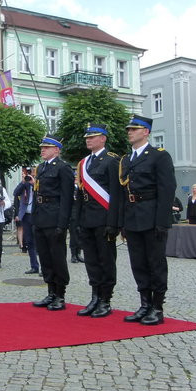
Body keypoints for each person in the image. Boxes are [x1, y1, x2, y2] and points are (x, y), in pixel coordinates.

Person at [119, 115, 176, 326]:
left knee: (155, 262)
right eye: (128, 129)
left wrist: (162, 221)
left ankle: (157, 307)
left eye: (134, 129)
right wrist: (123, 222)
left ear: (146, 132)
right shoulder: (126, 159)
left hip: (152, 216)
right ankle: (144, 304)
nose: (129, 132)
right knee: (138, 263)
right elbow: (124, 192)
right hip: (132, 216)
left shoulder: (159, 156)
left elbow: (167, 190)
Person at [74, 123, 120, 318]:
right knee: (91, 260)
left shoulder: (112, 161)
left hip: (103, 218)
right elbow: (80, 194)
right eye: (87, 136)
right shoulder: (83, 163)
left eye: (92, 136)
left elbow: (116, 195)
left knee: (106, 260)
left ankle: (106, 299)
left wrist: (114, 222)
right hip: (87, 219)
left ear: (103, 138)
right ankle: (95, 296)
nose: (88, 139)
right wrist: (77, 220)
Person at [31, 135, 74, 312]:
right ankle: (50, 291)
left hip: (55, 217)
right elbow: (36, 193)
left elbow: (66, 198)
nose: (43, 150)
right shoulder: (41, 167)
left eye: (47, 147)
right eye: (42, 147)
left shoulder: (63, 168)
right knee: (45, 258)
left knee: (57, 257)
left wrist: (62, 224)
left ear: (56, 150)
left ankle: (60, 295)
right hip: (41, 217)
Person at [13, 167, 39, 274]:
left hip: (37, 215)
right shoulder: (26, 184)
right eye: (30, 173)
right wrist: (23, 182)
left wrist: (35, 185)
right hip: (26, 215)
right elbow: (15, 193)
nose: (31, 175)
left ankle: (45, 268)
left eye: (33, 173)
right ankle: (34, 266)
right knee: (29, 242)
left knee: (39, 242)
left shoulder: (39, 184)